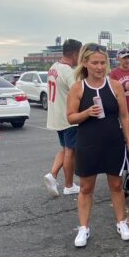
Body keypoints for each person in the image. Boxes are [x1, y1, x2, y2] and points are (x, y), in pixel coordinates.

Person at [67, 43, 129, 248]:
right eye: (95, 62)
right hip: (88, 143)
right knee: (87, 187)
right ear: (85, 63)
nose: (99, 67)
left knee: (116, 185)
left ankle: (121, 222)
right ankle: (83, 228)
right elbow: (70, 118)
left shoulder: (114, 85)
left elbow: (124, 116)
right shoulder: (78, 87)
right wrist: (87, 113)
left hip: (113, 142)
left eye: (103, 63)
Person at [44, 39, 82, 197]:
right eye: (80, 53)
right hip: (68, 117)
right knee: (70, 152)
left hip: (56, 116)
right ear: (74, 53)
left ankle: (52, 175)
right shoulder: (69, 71)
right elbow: (79, 91)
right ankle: (68, 185)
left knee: (66, 148)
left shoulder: (54, 67)